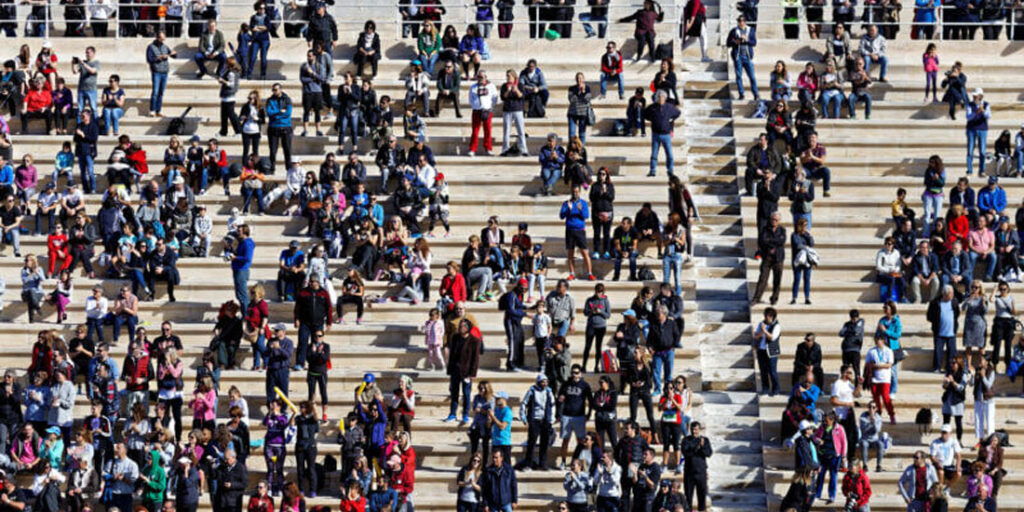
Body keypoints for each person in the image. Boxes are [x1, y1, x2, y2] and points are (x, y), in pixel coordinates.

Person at [516, 373, 555, 471]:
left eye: (546, 382)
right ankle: (528, 463)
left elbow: (552, 405)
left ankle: (542, 463)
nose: (544, 384)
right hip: (534, 420)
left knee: (544, 443)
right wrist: (523, 417)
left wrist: (551, 419)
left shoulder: (549, 392)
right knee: (532, 442)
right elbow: (524, 404)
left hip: (545, 420)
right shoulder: (532, 391)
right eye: (542, 382)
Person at [643, 91, 680, 178]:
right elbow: (645, 114)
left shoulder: (669, 107)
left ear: (665, 98)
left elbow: (678, 113)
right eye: (659, 97)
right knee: (654, 154)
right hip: (656, 134)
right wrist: (652, 119)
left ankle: (670, 170)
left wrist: (671, 119)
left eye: (663, 97)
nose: (661, 99)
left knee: (669, 154)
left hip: (666, 134)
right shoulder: (652, 107)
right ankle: (652, 170)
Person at [561, 185, 594, 280]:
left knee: (584, 252)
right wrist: (568, 209)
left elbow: (586, 215)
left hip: (580, 230)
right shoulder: (566, 203)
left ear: (579, 192)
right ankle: (572, 273)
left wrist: (580, 210)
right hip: (570, 230)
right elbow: (562, 216)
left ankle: (590, 273)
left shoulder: (583, 203)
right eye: (573, 191)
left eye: (577, 191)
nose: (575, 193)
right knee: (570, 253)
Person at [754, 212, 786, 305]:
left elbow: (781, 241)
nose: (774, 221)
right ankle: (756, 298)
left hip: (778, 258)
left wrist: (771, 243)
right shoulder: (765, 229)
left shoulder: (782, 230)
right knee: (763, 278)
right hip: (767, 257)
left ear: (779, 221)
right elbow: (763, 241)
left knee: (777, 279)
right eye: (773, 219)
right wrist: (772, 246)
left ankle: (774, 298)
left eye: (776, 220)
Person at [727, 16, 758, 101]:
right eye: (739, 21)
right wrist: (736, 41)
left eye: (743, 20)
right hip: (738, 56)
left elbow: (754, 42)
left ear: (745, 21)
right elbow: (728, 43)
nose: (741, 22)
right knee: (738, 76)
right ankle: (741, 94)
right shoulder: (734, 31)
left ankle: (756, 94)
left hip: (747, 56)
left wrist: (746, 40)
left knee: (752, 76)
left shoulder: (750, 30)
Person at [468, 71, 498, 157]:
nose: (480, 79)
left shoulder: (491, 86)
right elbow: (470, 99)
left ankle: (488, 148)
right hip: (477, 111)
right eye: (479, 77)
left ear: (486, 77)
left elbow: (495, 97)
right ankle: (472, 149)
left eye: (482, 77)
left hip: (487, 111)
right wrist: (475, 106)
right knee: (475, 131)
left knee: (487, 130)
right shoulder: (473, 87)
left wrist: (490, 107)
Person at [266, 83, 294, 173]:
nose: (274, 91)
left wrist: (276, 115)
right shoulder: (269, 100)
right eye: (273, 90)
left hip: (286, 127)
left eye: (276, 89)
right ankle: (272, 169)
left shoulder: (287, 100)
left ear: (280, 90)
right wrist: (279, 112)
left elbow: (288, 113)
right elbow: (269, 113)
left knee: (287, 150)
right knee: (273, 151)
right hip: (273, 127)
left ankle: (288, 169)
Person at [145, 33, 175, 117]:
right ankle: (152, 110)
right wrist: (159, 58)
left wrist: (173, 53)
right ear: (157, 38)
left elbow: (171, 54)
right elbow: (149, 59)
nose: (162, 41)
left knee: (161, 92)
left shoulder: (165, 46)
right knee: (155, 91)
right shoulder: (150, 47)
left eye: (163, 39)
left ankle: (159, 110)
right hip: (156, 71)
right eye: (161, 39)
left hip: (164, 71)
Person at [499, 69, 526, 156]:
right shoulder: (504, 86)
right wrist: (508, 90)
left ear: (514, 76)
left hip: (518, 110)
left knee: (521, 131)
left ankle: (524, 149)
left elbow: (522, 96)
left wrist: (516, 90)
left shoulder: (520, 85)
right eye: (506, 76)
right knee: (506, 131)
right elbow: (503, 97)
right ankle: (505, 149)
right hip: (507, 110)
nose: (507, 78)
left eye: (509, 76)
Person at [930, 424, 963, 490]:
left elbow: (958, 455)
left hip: (949, 465)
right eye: (943, 432)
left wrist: (958, 465)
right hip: (938, 465)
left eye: (946, 433)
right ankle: (940, 488)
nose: (944, 435)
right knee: (941, 472)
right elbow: (932, 456)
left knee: (958, 474)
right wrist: (937, 462)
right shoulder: (935, 442)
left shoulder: (954, 441)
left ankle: (947, 488)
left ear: (950, 433)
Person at [230, 225, 254, 311]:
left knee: (242, 296)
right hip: (237, 269)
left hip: (242, 270)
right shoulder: (241, 242)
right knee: (239, 295)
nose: (238, 232)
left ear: (245, 232)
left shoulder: (248, 243)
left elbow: (247, 258)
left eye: (239, 231)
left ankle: (246, 316)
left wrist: (235, 258)